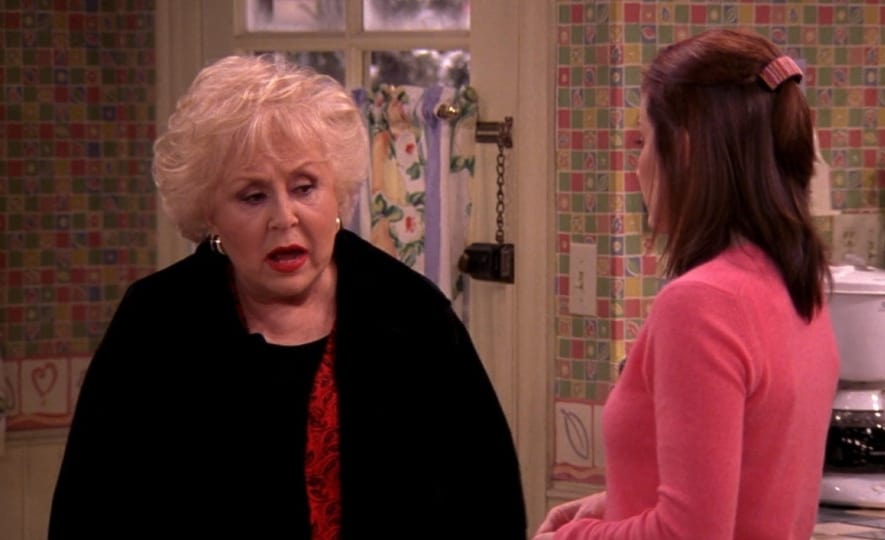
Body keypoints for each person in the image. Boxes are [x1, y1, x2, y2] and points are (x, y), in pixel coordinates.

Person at [49, 54, 527, 539]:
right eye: (253, 196)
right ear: (209, 213)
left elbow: (490, 507)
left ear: (337, 192)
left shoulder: (413, 315)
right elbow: (88, 512)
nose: (284, 217)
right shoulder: (155, 322)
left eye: (304, 187)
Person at [535, 29, 839, 539]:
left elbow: (688, 533)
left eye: (643, 141)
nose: (637, 166)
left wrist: (568, 538)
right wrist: (612, 505)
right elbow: (749, 487)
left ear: (684, 150)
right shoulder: (797, 286)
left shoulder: (701, 303)